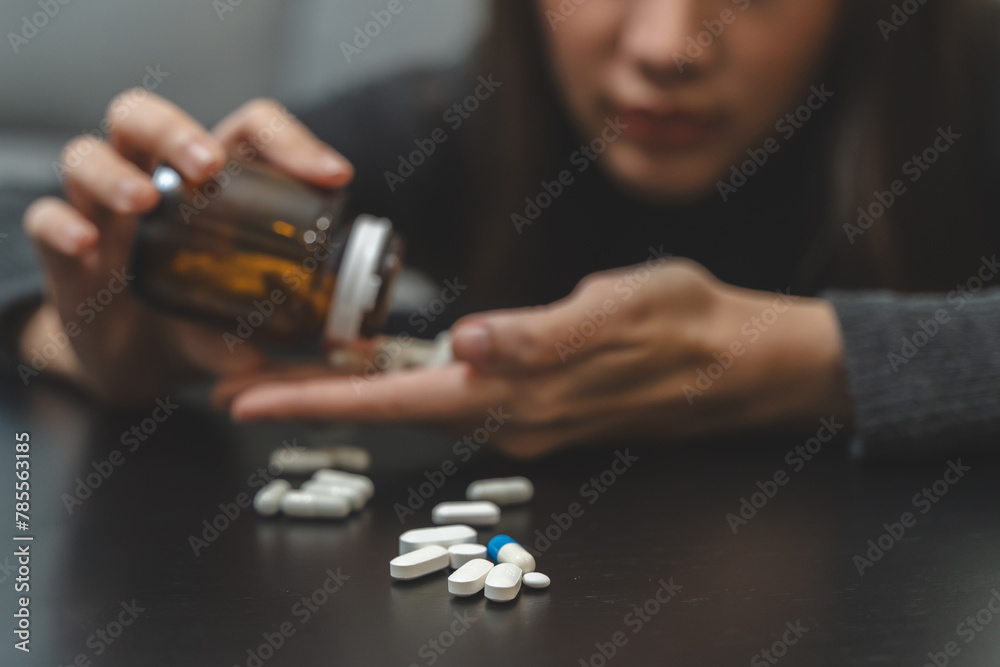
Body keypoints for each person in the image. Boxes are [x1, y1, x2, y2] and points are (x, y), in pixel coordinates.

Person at [4, 0, 1000, 460]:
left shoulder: (967, 96)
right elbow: (32, 235)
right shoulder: (465, 121)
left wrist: (805, 360)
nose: (665, 48)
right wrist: (97, 336)